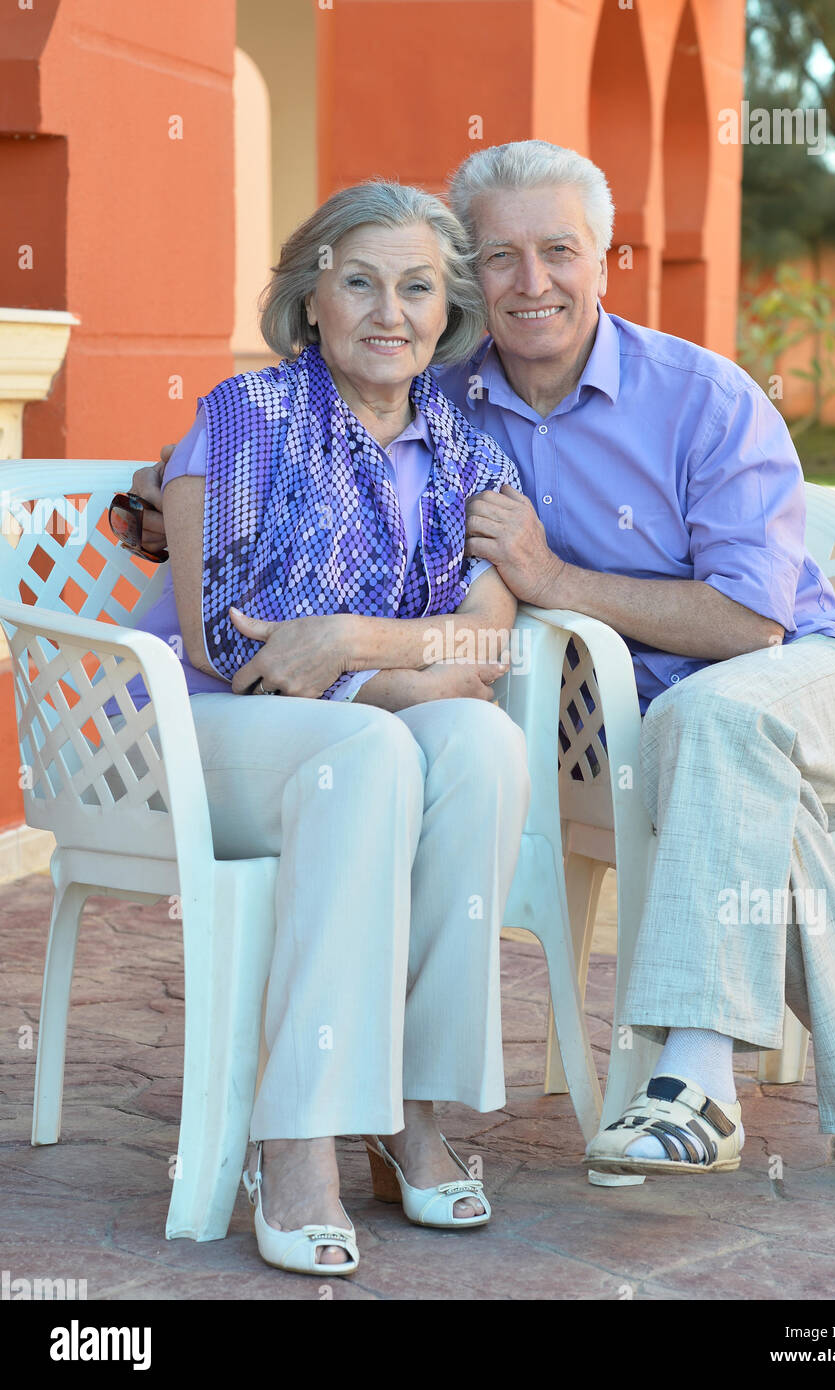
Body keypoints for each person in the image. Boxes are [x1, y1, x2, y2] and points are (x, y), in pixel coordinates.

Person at [133, 142, 835, 1205]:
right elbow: (270, 438)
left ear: (604, 259)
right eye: (501, 256)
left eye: (558, 250)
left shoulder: (701, 396)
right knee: (725, 776)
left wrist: (550, 572)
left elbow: (751, 620)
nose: (532, 283)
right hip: (625, 729)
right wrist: (162, 489)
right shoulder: (444, 394)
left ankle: (695, 1072)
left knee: (714, 723)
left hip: (797, 674)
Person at [128, 179, 531, 1276]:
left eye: (416, 288)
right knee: (377, 748)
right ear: (312, 298)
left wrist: (352, 643)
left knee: (486, 747)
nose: (388, 312)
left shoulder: (468, 451)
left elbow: (486, 646)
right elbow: (223, 637)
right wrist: (412, 672)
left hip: (347, 728)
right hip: (207, 730)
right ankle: (292, 1133)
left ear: (447, 315)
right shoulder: (243, 417)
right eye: (359, 282)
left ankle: (408, 1107)